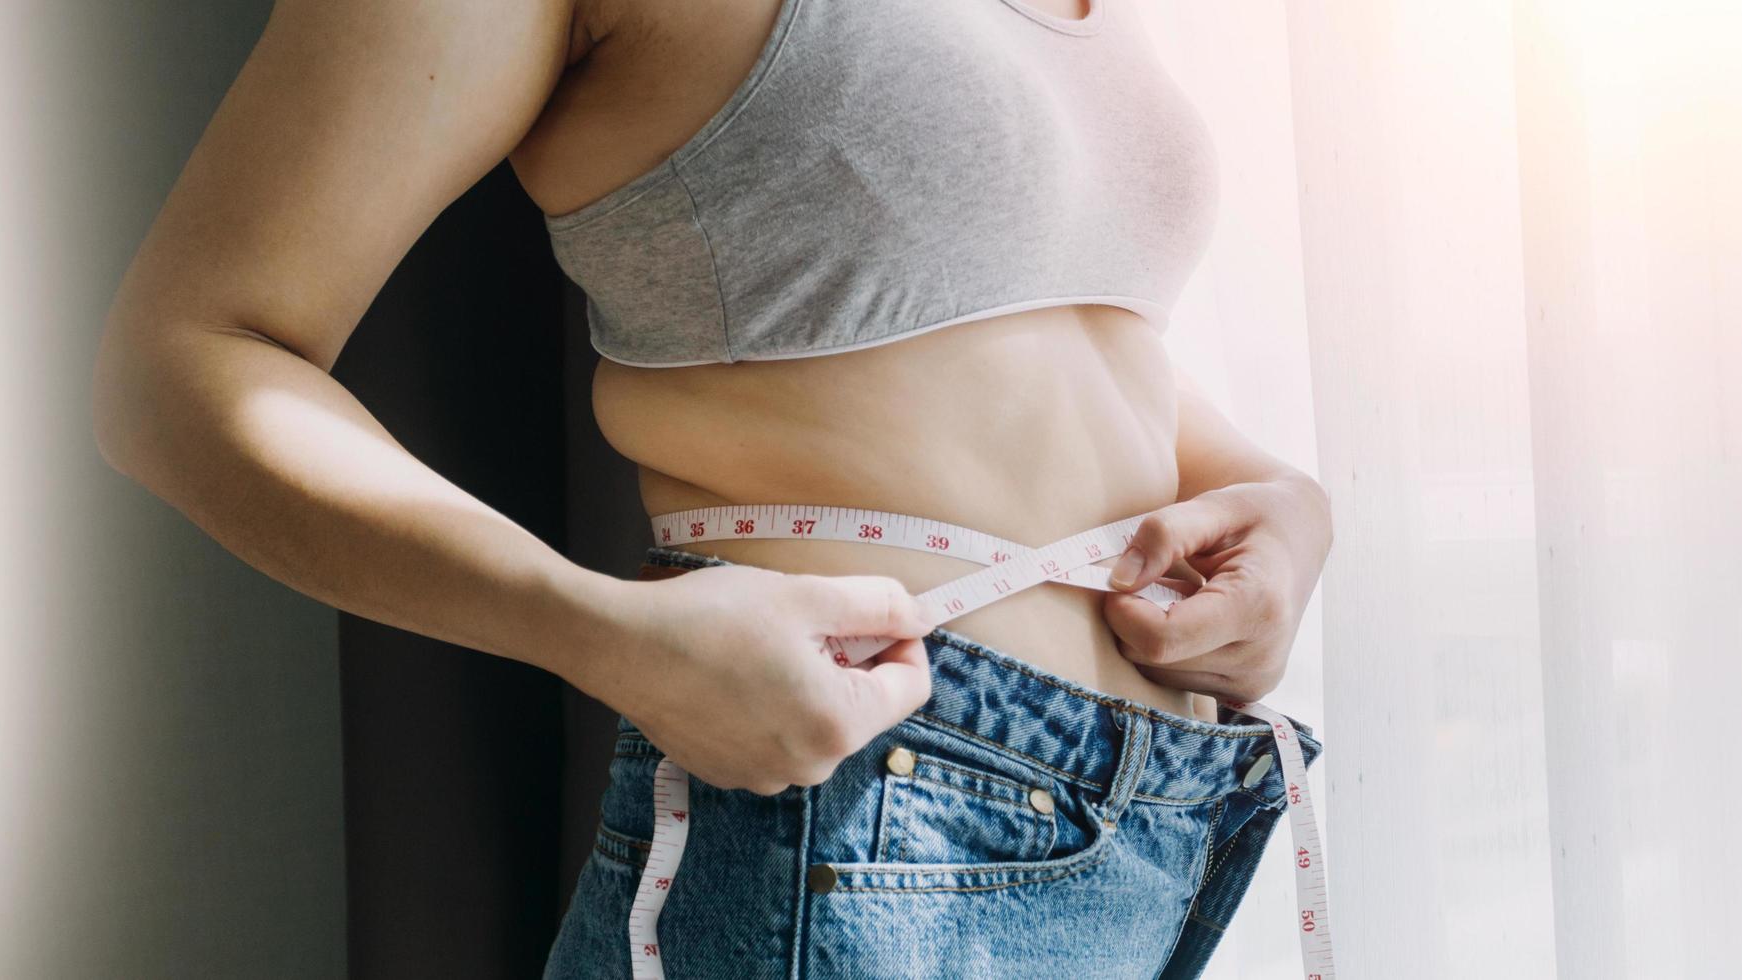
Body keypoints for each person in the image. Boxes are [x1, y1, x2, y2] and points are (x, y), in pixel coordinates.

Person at [93, 0, 1335, 975]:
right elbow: (183, 362)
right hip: (863, 805)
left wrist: (1270, 497)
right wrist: (597, 629)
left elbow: (1004, 317)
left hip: (1159, 819)